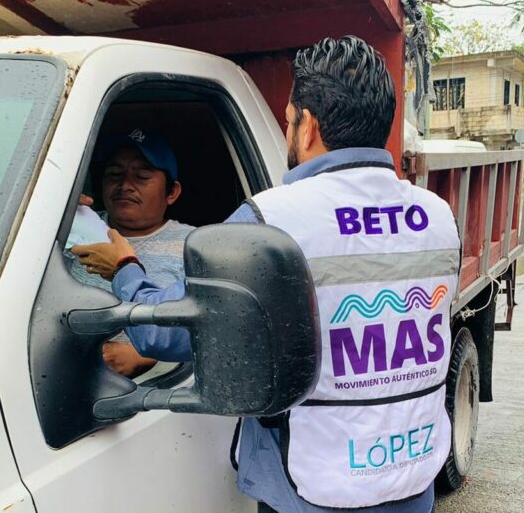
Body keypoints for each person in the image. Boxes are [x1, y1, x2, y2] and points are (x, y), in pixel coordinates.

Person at [76, 36, 460, 512]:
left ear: (308, 126)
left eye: (287, 121)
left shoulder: (274, 218)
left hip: (316, 481)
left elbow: (167, 332)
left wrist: (127, 268)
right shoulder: (437, 214)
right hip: (412, 471)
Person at [69, 128, 194, 378]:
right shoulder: (72, 224)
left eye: (142, 176)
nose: (125, 185)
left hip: (153, 395)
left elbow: (213, 327)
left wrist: (148, 357)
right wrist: (59, 209)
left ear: (172, 192)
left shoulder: (194, 246)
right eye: (114, 174)